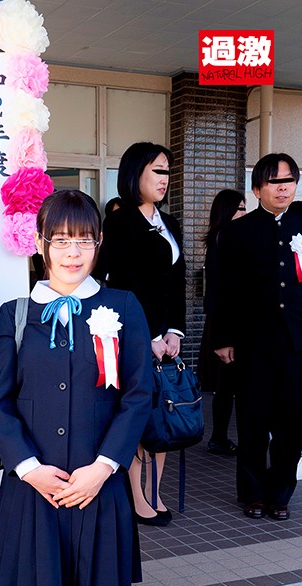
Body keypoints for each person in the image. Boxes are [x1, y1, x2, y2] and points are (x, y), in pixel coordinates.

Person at [0, 189, 152, 586]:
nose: (73, 252)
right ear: (40, 244)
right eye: (61, 240)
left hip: (98, 488)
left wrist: (104, 467)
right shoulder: (16, 315)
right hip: (35, 490)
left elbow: (138, 395)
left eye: (84, 240)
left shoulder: (123, 307)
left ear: (98, 244)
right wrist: (27, 468)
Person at [95, 141, 186, 526]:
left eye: (167, 171)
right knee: (137, 415)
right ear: (136, 174)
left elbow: (176, 283)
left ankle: (154, 492)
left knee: (161, 416)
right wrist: (148, 335)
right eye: (157, 170)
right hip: (134, 338)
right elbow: (122, 286)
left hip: (166, 340)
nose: (165, 179)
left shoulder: (170, 222)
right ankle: (136, 496)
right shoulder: (120, 222)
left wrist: (175, 332)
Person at [213, 152, 302, 521]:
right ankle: (251, 492)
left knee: (292, 422)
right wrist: (223, 338)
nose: (283, 188)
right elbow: (222, 289)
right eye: (274, 181)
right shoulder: (239, 231)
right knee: (253, 420)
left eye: (289, 180)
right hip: (253, 342)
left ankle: (280, 493)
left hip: (298, 341)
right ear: (256, 189)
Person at [197, 189, 246, 456]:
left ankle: (219, 437)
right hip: (227, 325)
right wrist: (223, 337)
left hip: (224, 324)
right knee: (228, 385)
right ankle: (219, 438)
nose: (245, 213)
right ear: (228, 211)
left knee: (226, 387)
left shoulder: (222, 238)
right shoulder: (225, 239)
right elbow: (219, 291)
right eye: (240, 208)